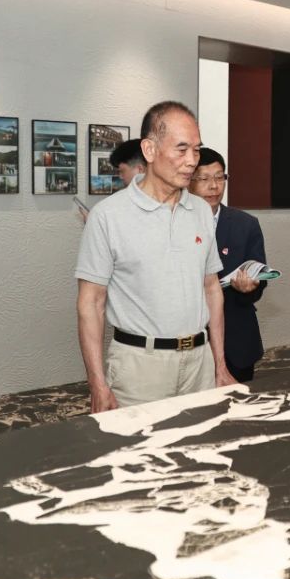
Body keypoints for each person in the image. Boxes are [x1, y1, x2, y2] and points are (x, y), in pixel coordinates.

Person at [76, 101, 234, 412]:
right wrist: (97, 383)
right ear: (149, 150)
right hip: (139, 368)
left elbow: (211, 289)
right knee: (136, 444)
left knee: (202, 441)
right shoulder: (108, 216)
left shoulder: (201, 211)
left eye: (196, 150)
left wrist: (219, 363)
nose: (192, 161)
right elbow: (90, 303)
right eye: (181, 149)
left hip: (199, 364)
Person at [190, 147, 267, 383]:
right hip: (189, 341)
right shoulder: (175, 222)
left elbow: (260, 278)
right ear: (188, 181)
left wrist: (249, 288)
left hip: (236, 340)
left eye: (219, 177)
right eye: (204, 179)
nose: (214, 186)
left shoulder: (246, 224)